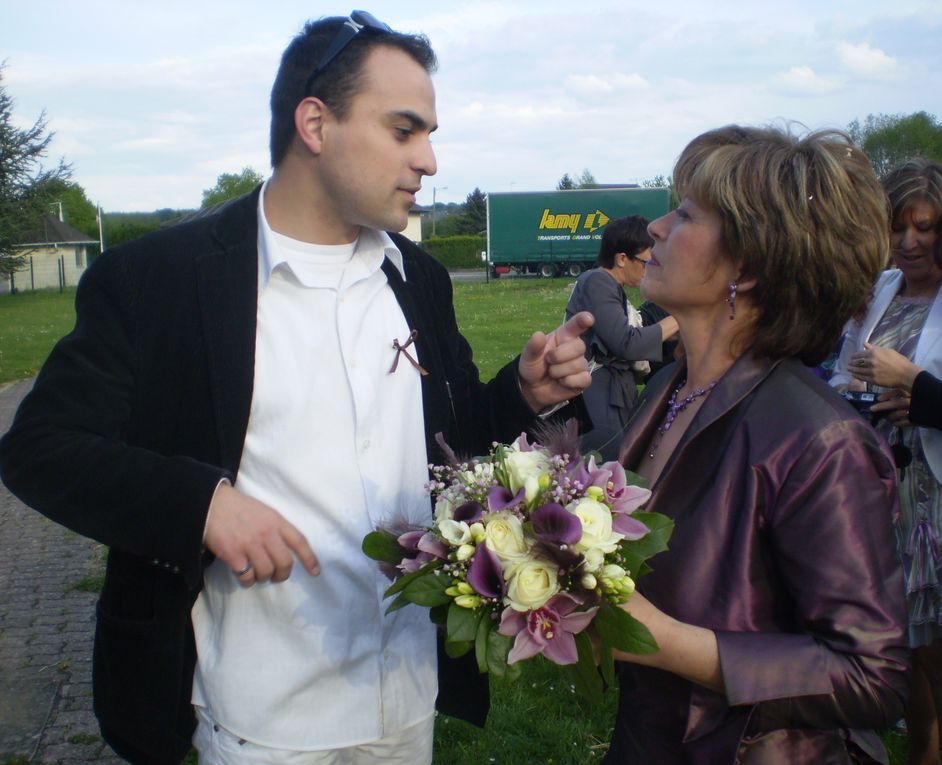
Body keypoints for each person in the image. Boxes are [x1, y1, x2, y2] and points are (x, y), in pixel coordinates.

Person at [0, 12, 593, 765]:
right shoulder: (162, 280)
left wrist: (524, 393)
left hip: (406, 694)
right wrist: (202, 502)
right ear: (315, 122)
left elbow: (452, 440)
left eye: (429, 133)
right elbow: (40, 449)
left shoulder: (420, 280)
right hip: (254, 715)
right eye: (405, 130)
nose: (431, 160)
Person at [603, 125, 909, 764]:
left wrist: (664, 640)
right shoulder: (670, 387)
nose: (656, 229)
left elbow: (872, 676)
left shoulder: (819, 440)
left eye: (685, 214)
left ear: (753, 262)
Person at [830, 158, 942, 765]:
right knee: (907, 649)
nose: (910, 241)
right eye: (899, 227)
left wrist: (915, 384)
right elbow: (849, 368)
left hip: (938, 501)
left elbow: (916, 386)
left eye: (925, 227)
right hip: (888, 492)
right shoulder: (883, 287)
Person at [564, 216, 678, 460]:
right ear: (622, 259)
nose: (648, 270)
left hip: (611, 393)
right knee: (607, 468)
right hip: (598, 396)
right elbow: (627, 343)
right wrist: (681, 317)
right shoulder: (598, 281)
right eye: (646, 262)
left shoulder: (609, 286)